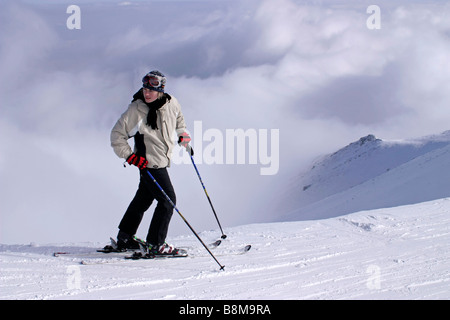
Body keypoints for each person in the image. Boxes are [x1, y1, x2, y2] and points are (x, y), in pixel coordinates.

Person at [110, 70, 191, 255]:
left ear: (161, 89)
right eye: (145, 88)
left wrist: (182, 135)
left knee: (143, 199)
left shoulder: (171, 103)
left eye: (151, 90)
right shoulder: (136, 110)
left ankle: (125, 236)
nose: (147, 93)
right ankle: (156, 243)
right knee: (168, 201)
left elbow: (179, 119)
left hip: (161, 160)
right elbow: (116, 135)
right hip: (148, 164)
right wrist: (130, 156)